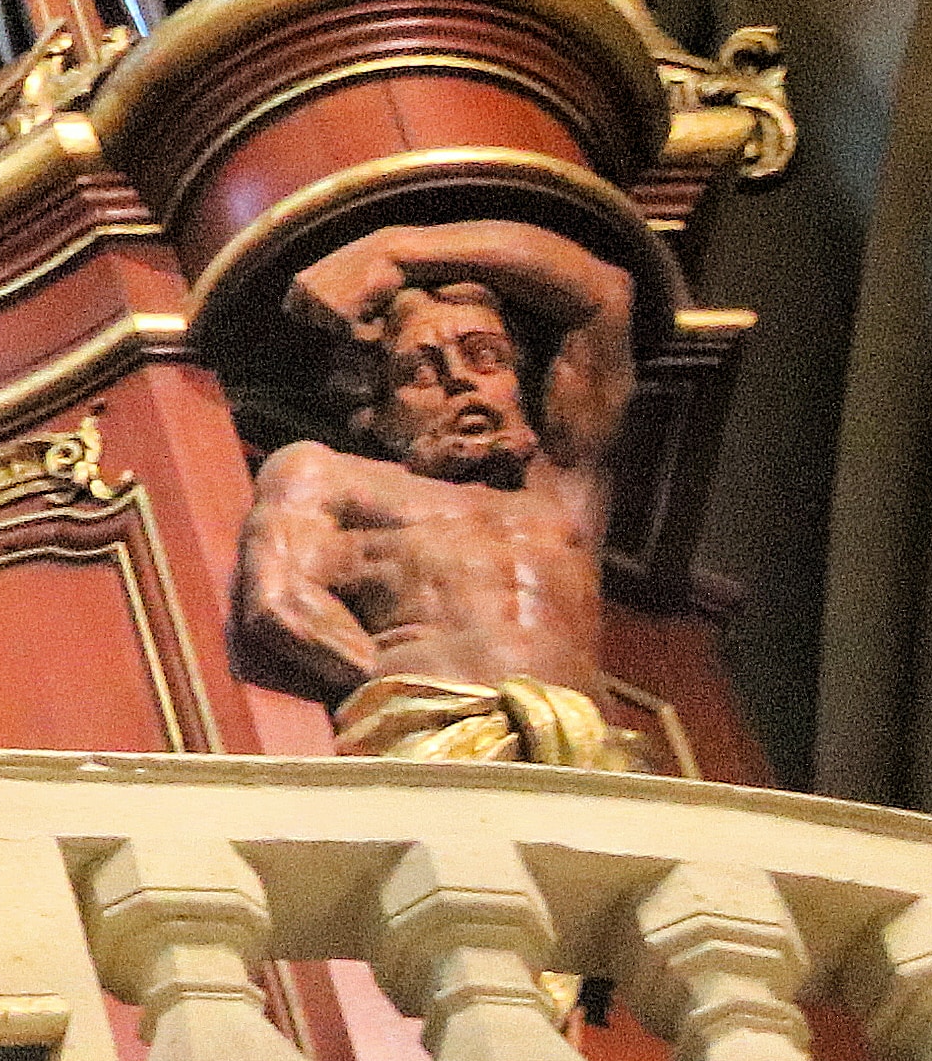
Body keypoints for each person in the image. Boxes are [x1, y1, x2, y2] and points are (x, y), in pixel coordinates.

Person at [229, 216, 644, 769]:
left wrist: (396, 251)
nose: (460, 379)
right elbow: (281, 603)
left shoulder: (562, 480)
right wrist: (421, 692)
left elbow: (603, 295)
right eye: (420, 373)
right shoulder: (332, 475)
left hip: (589, 749)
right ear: (375, 410)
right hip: (431, 742)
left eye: (485, 355)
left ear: (519, 375)